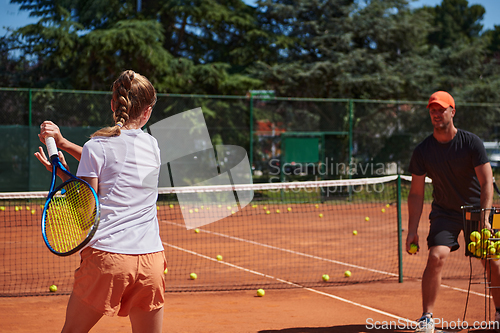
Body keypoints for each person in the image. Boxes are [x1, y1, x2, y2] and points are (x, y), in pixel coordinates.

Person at [35, 70, 166, 333]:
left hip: (109, 260)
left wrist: (60, 171)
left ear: (113, 104)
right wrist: (64, 144)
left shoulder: (97, 147)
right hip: (152, 261)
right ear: (148, 111)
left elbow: (86, 204)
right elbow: (114, 162)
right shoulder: (153, 146)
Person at [406, 91, 500, 333]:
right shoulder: (423, 150)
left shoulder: (471, 143)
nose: (437, 114)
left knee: (492, 261)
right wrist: (412, 230)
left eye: (441, 109)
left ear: (452, 111)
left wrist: (485, 216)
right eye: (433, 110)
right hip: (444, 212)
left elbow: (487, 181)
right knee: (436, 257)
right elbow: (416, 193)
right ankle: (427, 317)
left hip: (476, 209)